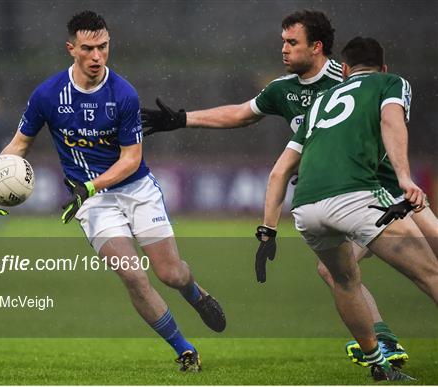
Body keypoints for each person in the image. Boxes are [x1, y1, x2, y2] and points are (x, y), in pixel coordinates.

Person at [141, 9, 438, 367]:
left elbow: (388, 121)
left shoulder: (344, 80)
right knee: (335, 271)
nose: (283, 49)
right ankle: (383, 344)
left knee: (424, 266)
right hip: (351, 197)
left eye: (291, 42)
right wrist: (183, 119)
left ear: (316, 47)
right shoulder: (284, 89)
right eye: (282, 41)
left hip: (384, 191)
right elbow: (241, 113)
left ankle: (380, 345)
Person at [0, 11, 226, 372]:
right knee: (132, 275)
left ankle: (195, 293)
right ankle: (184, 349)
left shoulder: (123, 93)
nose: (97, 56)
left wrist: (88, 185)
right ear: (71, 49)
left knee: (170, 273)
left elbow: (131, 160)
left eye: (103, 47)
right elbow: (19, 144)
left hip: (135, 189)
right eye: (89, 48)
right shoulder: (47, 95)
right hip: (92, 203)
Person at [257, 36, 438, 381]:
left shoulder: (321, 100)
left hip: (307, 206)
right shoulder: (391, 83)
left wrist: (267, 230)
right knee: (431, 273)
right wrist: (405, 178)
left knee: (342, 279)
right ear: (383, 68)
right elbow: (390, 122)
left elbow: (280, 170)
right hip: (359, 196)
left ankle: (377, 363)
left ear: (343, 69)